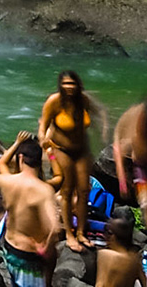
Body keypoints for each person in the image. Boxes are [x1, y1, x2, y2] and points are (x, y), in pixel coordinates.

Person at [0, 134, 61, 287]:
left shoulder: (6, 180)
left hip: (10, 248)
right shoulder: (45, 190)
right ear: (39, 161)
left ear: (20, 158)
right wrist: (50, 153)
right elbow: (55, 228)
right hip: (29, 255)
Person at [37, 70, 103, 252]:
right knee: (66, 191)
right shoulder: (54, 102)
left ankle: (81, 232)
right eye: (65, 84)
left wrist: (103, 130)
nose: (69, 87)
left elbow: (93, 119)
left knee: (83, 190)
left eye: (72, 84)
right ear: (60, 85)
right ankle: (69, 234)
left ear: (78, 85)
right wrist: (43, 141)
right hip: (61, 150)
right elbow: (43, 126)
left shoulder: (83, 101)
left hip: (81, 150)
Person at [95, 208, 147, 287]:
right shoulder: (134, 260)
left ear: (113, 236)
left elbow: (100, 284)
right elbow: (145, 284)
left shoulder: (105, 255)